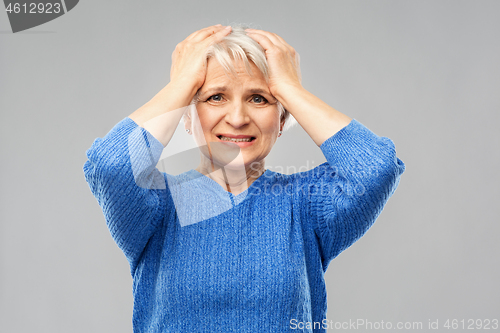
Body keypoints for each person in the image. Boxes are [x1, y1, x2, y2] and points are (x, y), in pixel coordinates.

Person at [83, 24, 405, 332]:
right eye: (215, 97)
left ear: (281, 119)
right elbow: (110, 165)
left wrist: (288, 88)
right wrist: (180, 84)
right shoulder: (157, 206)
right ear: (186, 115)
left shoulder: (305, 204)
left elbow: (377, 167)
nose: (237, 118)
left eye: (259, 99)